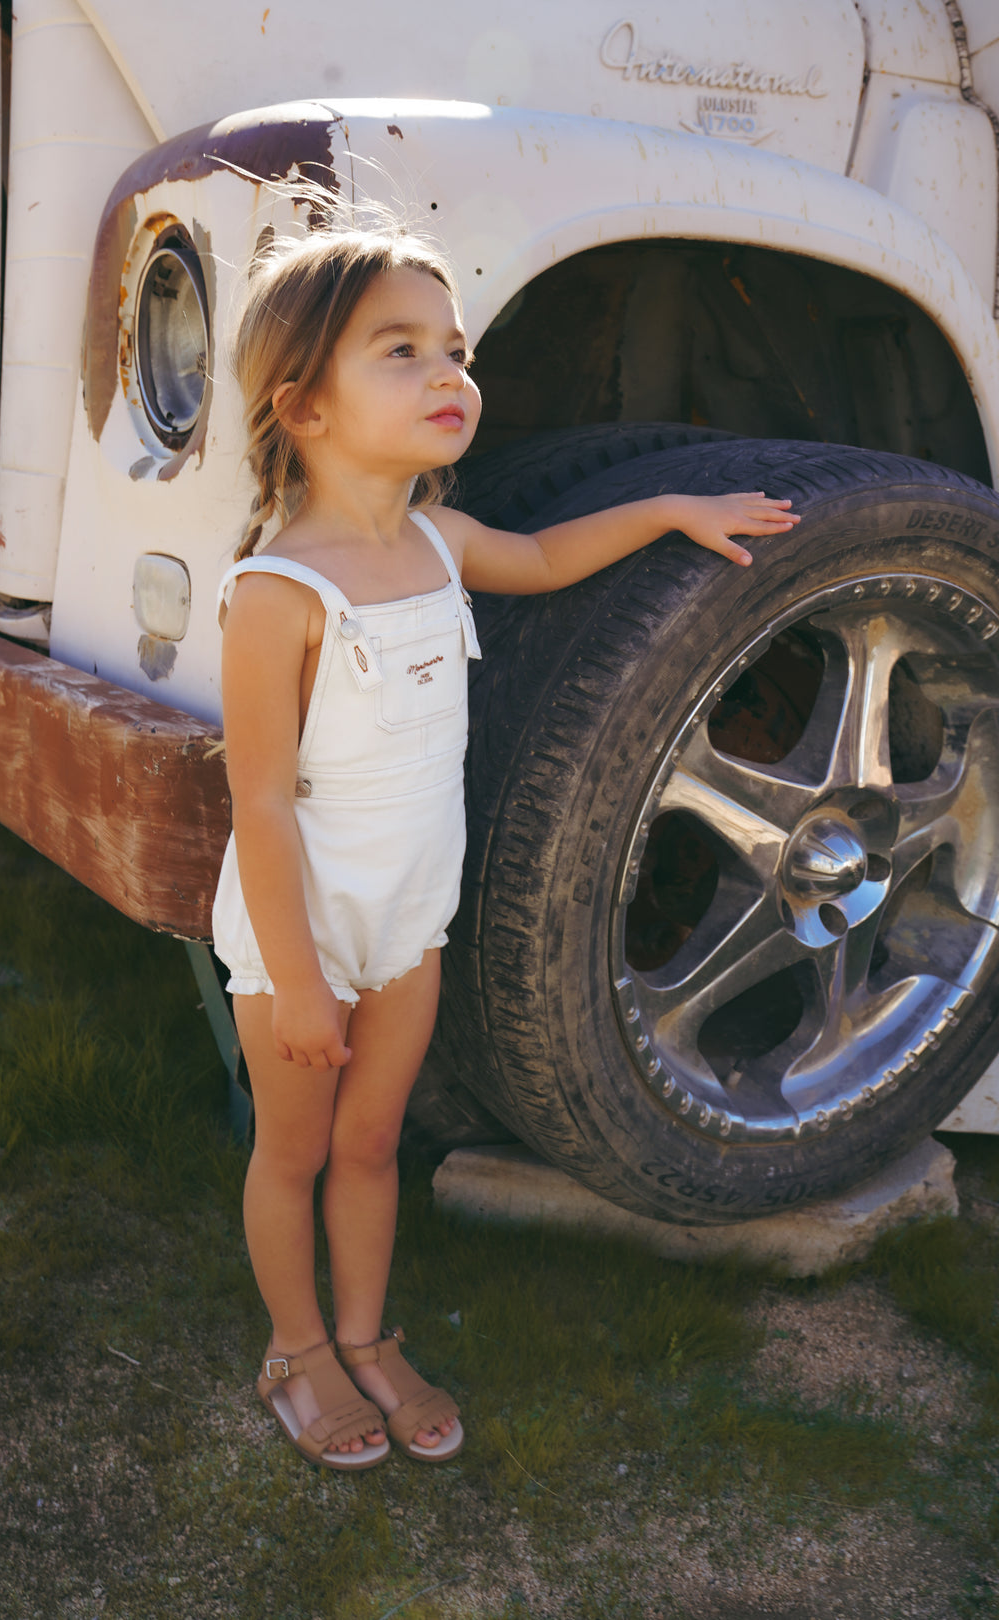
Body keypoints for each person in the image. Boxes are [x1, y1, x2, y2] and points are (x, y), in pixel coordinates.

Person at [211, 211, 800, 1472]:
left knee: (373, 1145)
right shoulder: (279, 594)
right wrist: (299, 975)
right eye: (403, 351)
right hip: (297, 930)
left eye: (455, 350)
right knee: (295, 1149)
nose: (448, 376)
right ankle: (297, 1351)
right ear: (305, 407)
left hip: (408, 916)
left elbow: (539, 555)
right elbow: (259, 804)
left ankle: (369, 1335)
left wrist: (670, 509)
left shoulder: (439, 542)